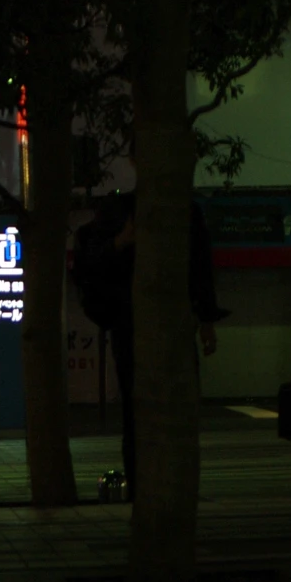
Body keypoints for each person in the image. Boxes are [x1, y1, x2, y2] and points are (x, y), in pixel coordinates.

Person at [70, 194, 224, 496]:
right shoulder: (182, 209)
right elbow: (201, 267)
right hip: (161, 322)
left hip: (134, 323)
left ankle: (145, 485)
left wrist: (122, 242)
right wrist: (206, 318)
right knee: (168, 406)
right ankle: (169, 483)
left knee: (138, 408)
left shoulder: (120, 211)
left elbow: (90, 267)